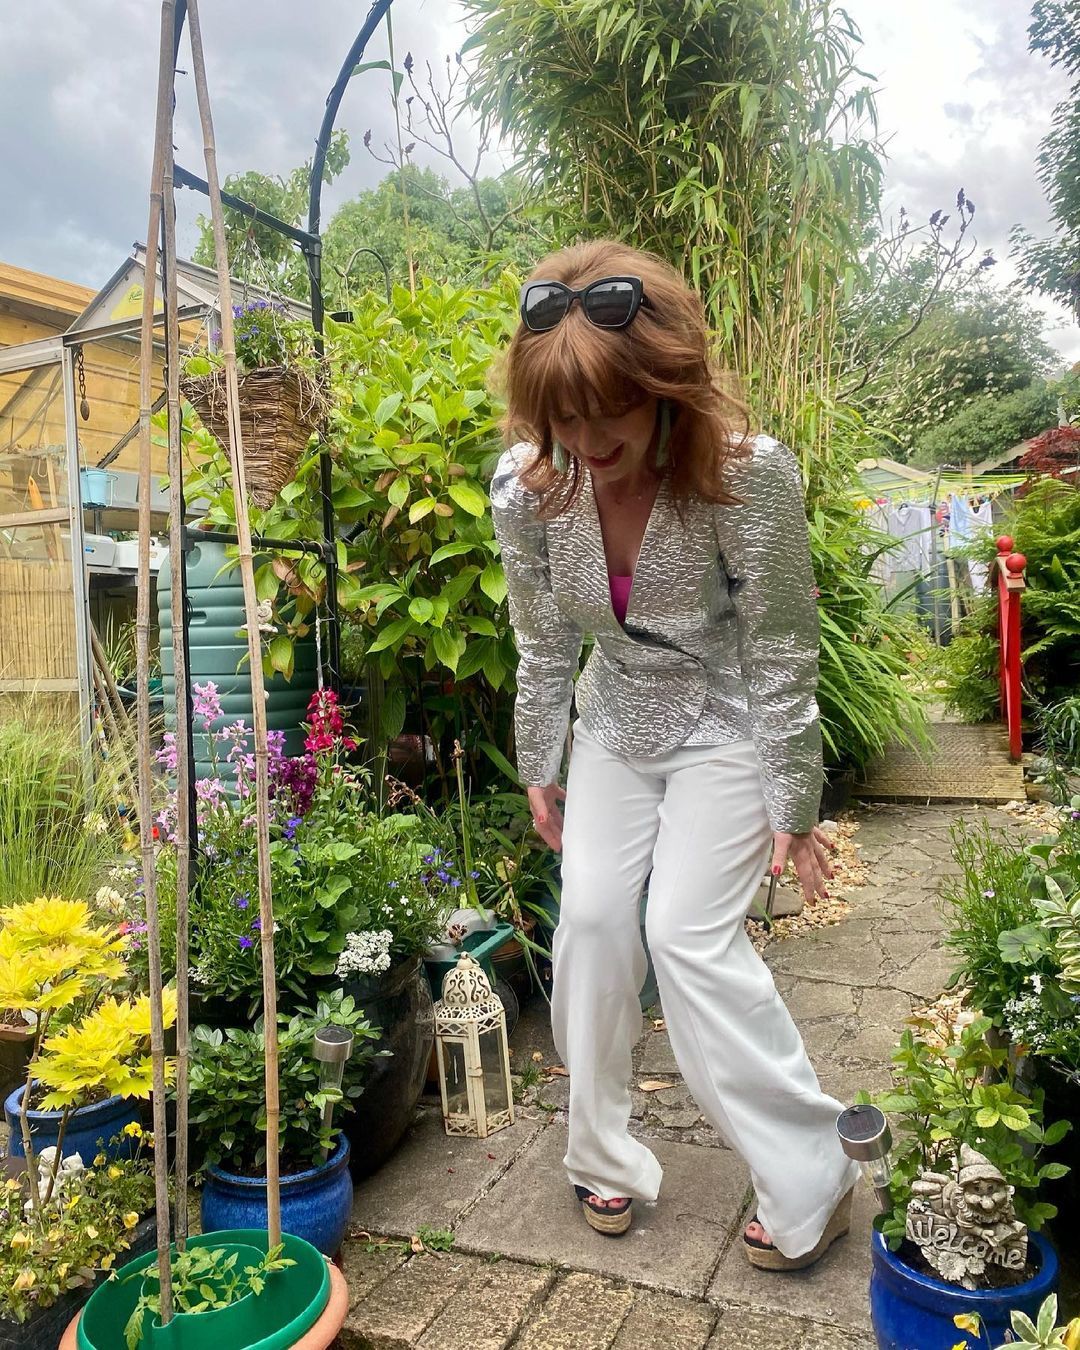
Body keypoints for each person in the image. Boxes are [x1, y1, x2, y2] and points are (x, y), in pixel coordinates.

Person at [489, 239, 859, 1270]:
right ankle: (600, 1150)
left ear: (665, 382)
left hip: (727, 720)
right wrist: (539, 760)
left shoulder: (747, 473)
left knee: (687, 939)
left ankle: (813, 1172)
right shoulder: (527, 488)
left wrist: (794, 804)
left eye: (607, 408)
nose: (584, 438)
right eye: (561, 415)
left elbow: (781, 644)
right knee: (593, 924)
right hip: (614, 719)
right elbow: (543, 640)